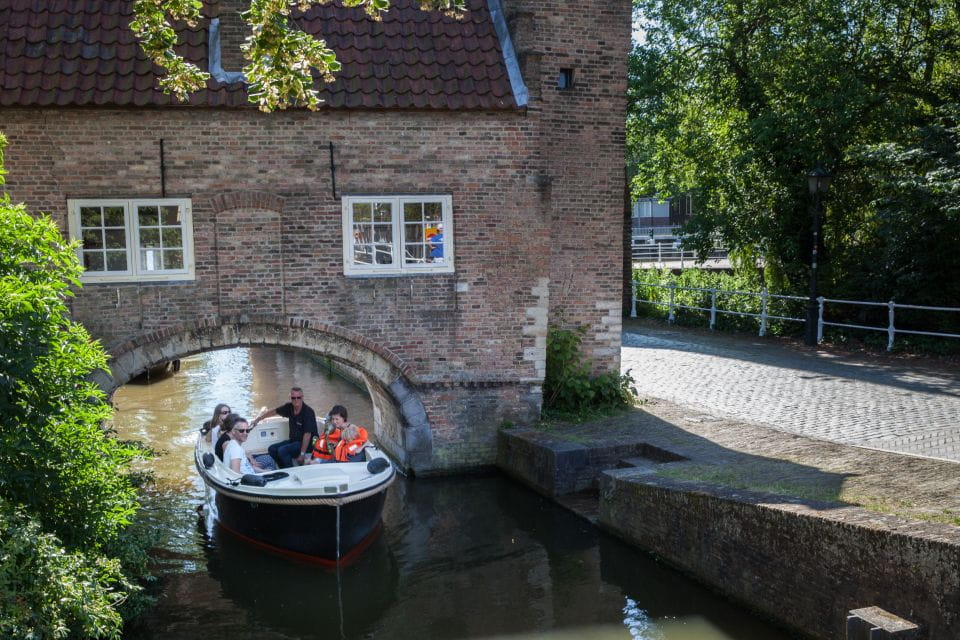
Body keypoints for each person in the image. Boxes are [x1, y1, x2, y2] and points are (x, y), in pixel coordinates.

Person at [252, 386, 318, 468]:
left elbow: (307, 435)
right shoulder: (289, 407)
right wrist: (258, 419)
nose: (296, 400)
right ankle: (283, 468)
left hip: (308, 445)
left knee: (282, 450)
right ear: (290, 398)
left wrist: (302, 454)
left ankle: (290, 470)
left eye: (298, 397)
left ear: (302, 397)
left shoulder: (308, 412)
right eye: (293, 398)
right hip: (294, 441)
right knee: (272, 449)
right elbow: (274, 411)